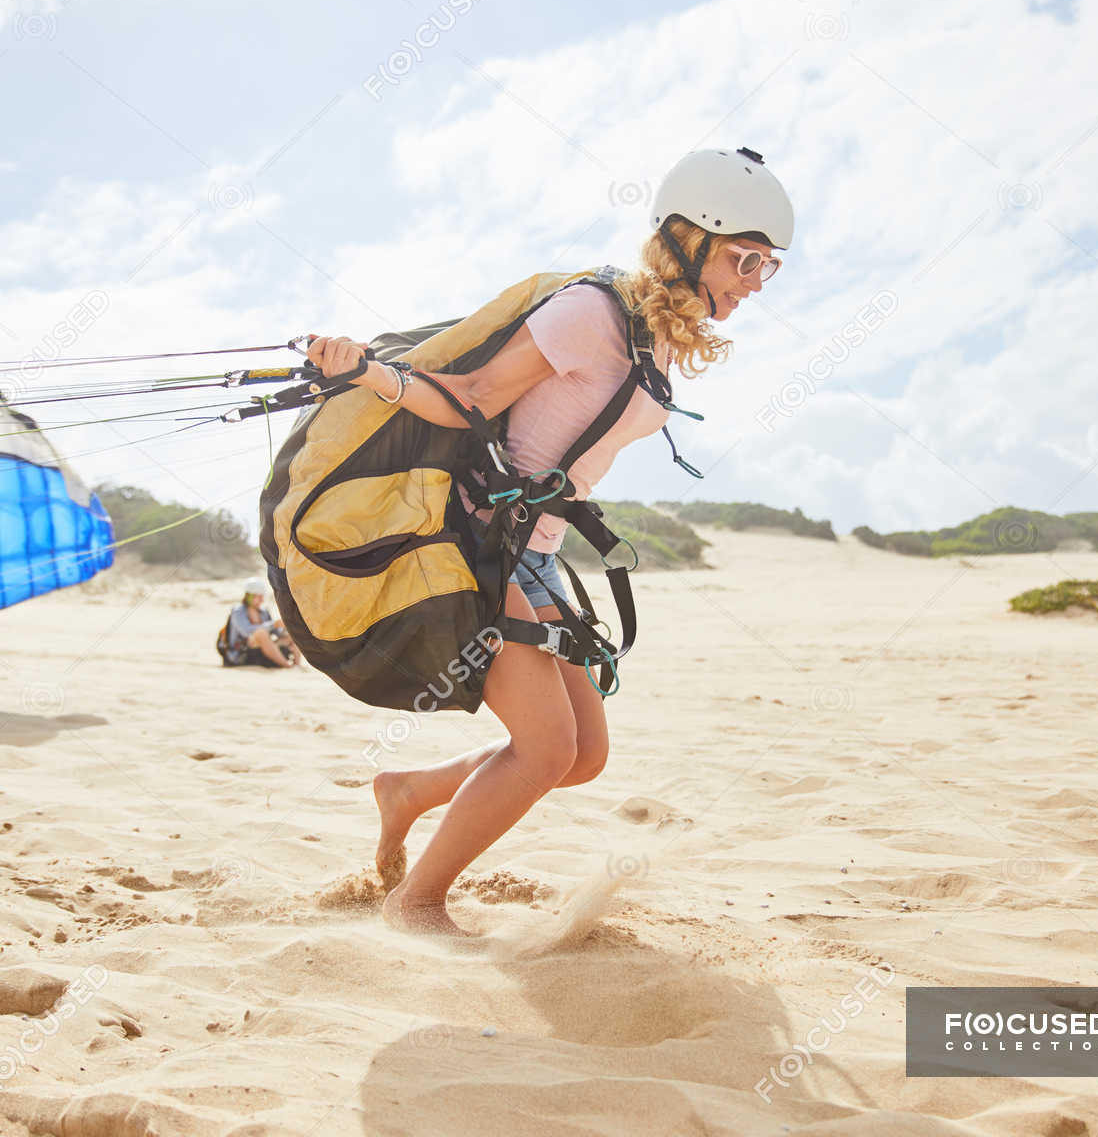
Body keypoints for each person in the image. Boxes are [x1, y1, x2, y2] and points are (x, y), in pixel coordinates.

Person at [302, 147, 792, 935]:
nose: (752, 281)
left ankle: (412, 791)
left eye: (766, 266)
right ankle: (416, 901)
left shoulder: (658, 341)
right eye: (744, 259)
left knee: (581, 755)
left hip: (538, 549)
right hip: (481, 540)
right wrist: (365, 372)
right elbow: (469, 396)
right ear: (688, 239)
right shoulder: (592, 313)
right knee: (542, 748)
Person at [219, 577, 299, 668]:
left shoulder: (264, 612)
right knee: (261, 633)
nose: (262, 600)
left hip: (261, 650)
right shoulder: (238, 611)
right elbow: (246, 632)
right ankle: (287, 666)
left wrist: (285, 628)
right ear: (249, 596)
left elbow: (275, 633)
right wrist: (273, 624)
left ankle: (297, 665)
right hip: (240, 652)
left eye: (262, 597)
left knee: (292, 634)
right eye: (259, 597)